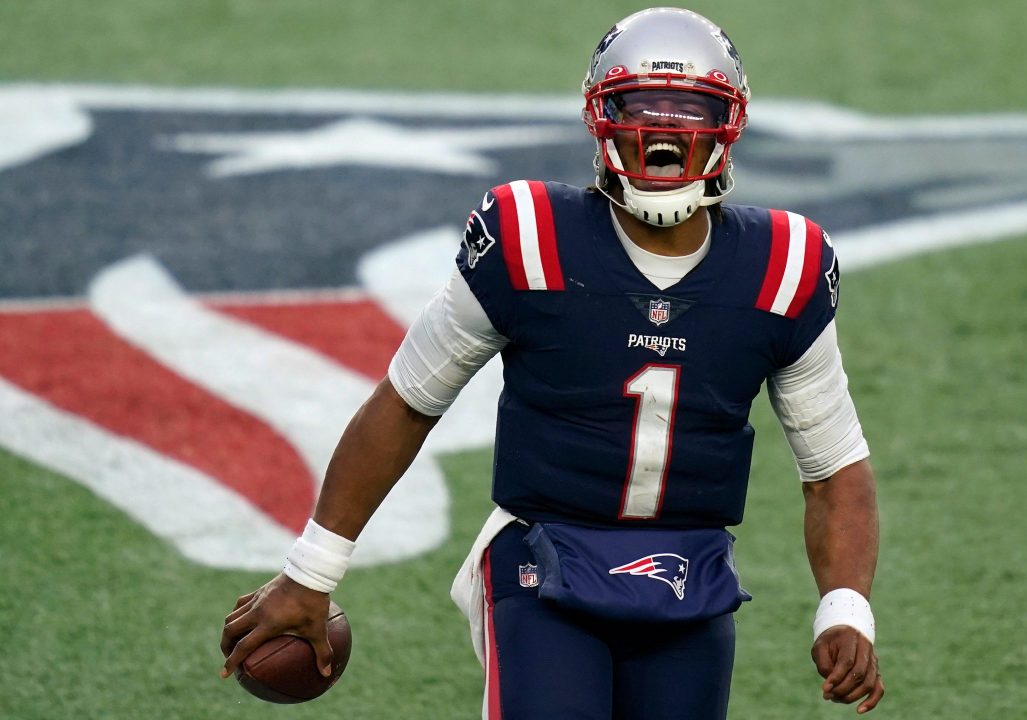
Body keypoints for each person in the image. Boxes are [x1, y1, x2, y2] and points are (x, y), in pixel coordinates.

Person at [220, 7, 884, 718]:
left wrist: (845, 608)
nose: (661, 134)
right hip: (542, 561)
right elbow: (408, 401)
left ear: (729, 122)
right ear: (601, 118)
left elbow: (835, 469)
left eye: (688, 112)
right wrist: (312, 569)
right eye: (638, 109)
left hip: (689, 574)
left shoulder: (785, 267)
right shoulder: (527, 238)